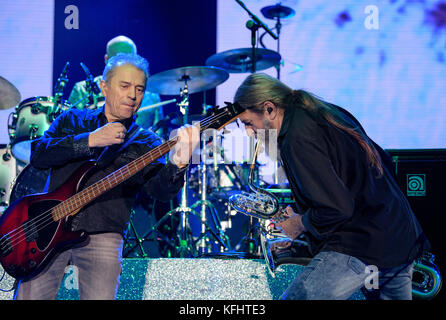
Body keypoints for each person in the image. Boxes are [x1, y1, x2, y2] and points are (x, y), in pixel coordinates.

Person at [14, 53, 199, 300]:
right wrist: (89, 140)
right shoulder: (72, 120)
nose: (133, 95)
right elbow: (38, 155)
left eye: (139, 89)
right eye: (124, 86)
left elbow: (159, 192)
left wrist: (179, 163)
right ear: (104, 86)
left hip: (103, 236)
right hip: (47, 230)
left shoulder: (148, 141)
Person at [233, 73, 430, 300]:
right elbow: (378, 163)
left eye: (248, 123)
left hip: (361, 242)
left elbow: (338, 208)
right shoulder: (323, 111)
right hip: (399, 235)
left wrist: (299, 224)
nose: (248, 132)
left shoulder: (297, 137)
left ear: (269, 108)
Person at [68, 35, 163, 131]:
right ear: (106, 59)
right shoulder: (82, 90)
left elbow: (160, 135)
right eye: (118, 61)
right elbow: (71, 133)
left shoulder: (151, 96)